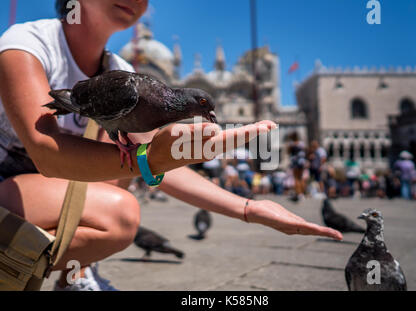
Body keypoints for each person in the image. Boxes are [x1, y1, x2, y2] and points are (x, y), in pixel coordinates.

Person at [0, 0, 342, 291]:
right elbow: (48, 154)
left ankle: (73, 269)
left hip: (51, 195)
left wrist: (247, 209)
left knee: (118, 162)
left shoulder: (120, 70)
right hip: (9, 185)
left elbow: (161, 161)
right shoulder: (28, 42)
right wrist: (146, 162)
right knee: (120, 212)